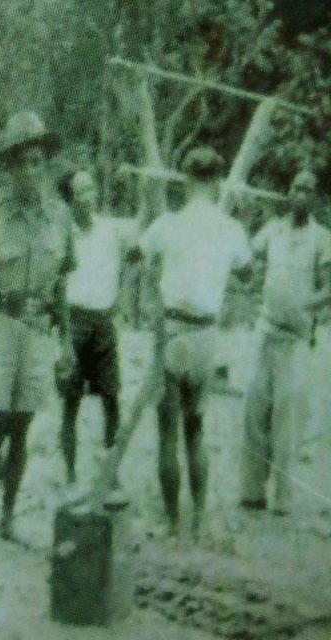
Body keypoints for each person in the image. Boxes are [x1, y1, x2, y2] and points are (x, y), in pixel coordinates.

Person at [0, 111, 75, 540]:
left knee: (23, 427)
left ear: (46, 166)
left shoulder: (60, 218)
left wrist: (66, 342)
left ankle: (9, 514)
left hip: (37, 330)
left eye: (38, 163)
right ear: (8, 168)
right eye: (21, 163)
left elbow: (62, 284)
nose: (30, 171)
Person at [138, 146, 251, 536]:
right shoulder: (229, 228)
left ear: (186, 179)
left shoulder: (169, 224)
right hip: (205, 336)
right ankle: (199, 519)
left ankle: (173, 523)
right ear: (217, 182)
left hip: (172, 332)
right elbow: (248, 273)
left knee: (168, 432)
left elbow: (140, 254)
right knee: (196, 431)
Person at [241, 169, 331, 515]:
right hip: (265, 332)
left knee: (286, 420)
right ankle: (252, 492)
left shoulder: (322, 238)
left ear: (315, 198)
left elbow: (328, 287)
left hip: (295, 341)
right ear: (288, 191)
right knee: (254, 412)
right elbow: (249, 261)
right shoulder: (274, 229)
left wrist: (306, 305)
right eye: (296, 187)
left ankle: (284, 498)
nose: (301, 195)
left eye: (308, 190)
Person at [56, 169, 139, 485]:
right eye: (81, 192)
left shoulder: (110, 230)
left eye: (92, 189)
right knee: (71, 402)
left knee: (112, 397)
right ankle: (70, 474)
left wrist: (122, 296)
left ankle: (110, 472)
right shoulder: (62, 234)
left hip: (104, 322)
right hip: (74, 321)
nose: (89, 197)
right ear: (70, 200)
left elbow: (137, 250)